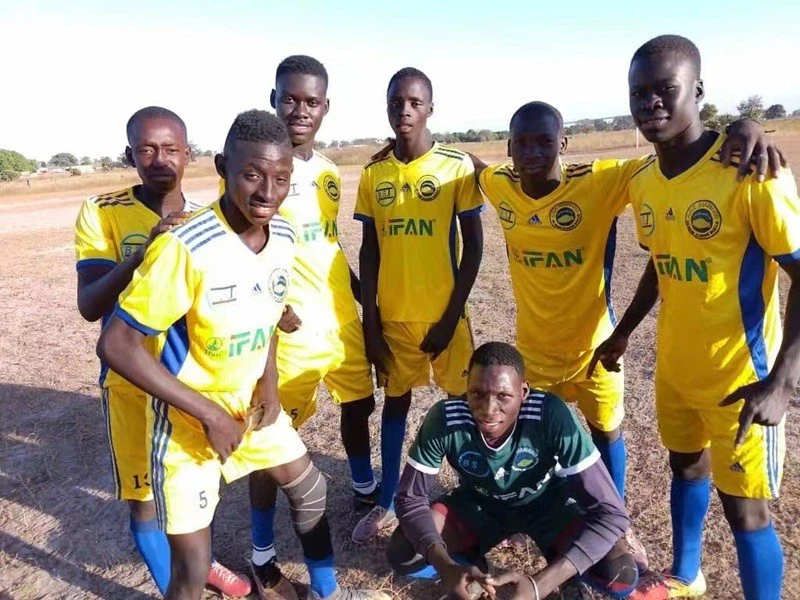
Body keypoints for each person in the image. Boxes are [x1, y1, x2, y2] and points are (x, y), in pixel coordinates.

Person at [97, 109, 389, 600]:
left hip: (250, 410)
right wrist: (209, 413)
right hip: (189, 426)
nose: (266, 192)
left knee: (311, 489)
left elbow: (270, 313)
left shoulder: (284, 240)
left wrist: (268, 382)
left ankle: (326, 592)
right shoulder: (186, 247)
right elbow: (116, 344)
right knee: (190, 577)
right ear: (221, 169)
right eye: (252, 175)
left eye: (280, 179)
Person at [591, 34, 800, 599]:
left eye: (666, 90)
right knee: (684, 469)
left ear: (698, 91)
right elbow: (663, 263)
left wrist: (780, 383)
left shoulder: (751, 171)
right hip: (677, 372)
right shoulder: (645, 182)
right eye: (640, 93)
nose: (651, 103)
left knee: (747, 512)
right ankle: (687, 575)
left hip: (742, 380)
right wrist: (623, 334)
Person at [74, 106, 250, 597]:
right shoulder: (102, 211)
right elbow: (90, 305)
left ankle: (201, 567)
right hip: (131, 383)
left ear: (188, 154)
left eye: (170, 148)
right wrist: (143, 252)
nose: (159, 159)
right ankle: (180, 585)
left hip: (187, 382)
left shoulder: (207, 216)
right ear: (130, 154)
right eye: (146, 149)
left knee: (189, 495)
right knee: (144, 499)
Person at [245, 54, 381, 598]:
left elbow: (326, 242)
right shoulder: (259, 170)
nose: (300, 110)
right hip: (293, 333)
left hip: (339, 320)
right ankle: (261, 553)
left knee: (359, 404)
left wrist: (361, 300)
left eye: (312, 101)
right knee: (270, 438)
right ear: (274, 97)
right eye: (290, 98)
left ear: (326, 107)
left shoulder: (327, 171)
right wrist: (273, 311)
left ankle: (364, 487)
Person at [387, 341, 640, 600]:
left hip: (546, 504)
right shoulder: (446, 418)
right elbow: (410, 499)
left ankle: (565, 576)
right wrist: (445, 566)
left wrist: (539, 583)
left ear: (524, 392)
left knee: (619, 574)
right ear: (466, 388)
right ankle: (472, 569)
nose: (487, 409)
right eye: (477, 393)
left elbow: (612, 514)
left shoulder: (549, 414)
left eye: (503, 396)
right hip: (480, 506)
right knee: (404, 553)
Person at [352, 67, 484, 544]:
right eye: (395, 103)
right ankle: (387, 501)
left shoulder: (454, 167)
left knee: (464, 409)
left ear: (430, 107)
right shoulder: (374, 172)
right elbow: (369, 249)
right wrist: (371, 322)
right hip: (394, 319)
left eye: (413, 102)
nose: (403, 110)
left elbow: (473, 247)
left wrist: (451, 318)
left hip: (446, 316)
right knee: (396, 406)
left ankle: (476, 496)